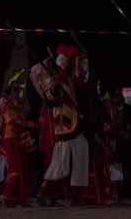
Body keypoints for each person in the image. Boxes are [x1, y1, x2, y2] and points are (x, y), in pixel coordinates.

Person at [43, 44, 91, 206]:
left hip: (80, 127)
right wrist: (54, 87)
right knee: (65, 163)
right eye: (81, 66)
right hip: (64, 127)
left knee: (81, 159)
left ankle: (77, 194)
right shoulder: (56, 81)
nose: (84, 69)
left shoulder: (79, 83)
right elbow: (49, 101)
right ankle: (67, 196)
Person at [0, 69, 37, 208]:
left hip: (18, 139)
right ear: (12, 91)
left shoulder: (14, 105)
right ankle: (7, 196)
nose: (21, 95)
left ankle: (20, 199)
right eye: (18, 91)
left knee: (23, 169)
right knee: (16, 168)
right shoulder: (6, 105)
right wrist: (28, 123)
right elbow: (14, 121)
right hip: (11, 138)